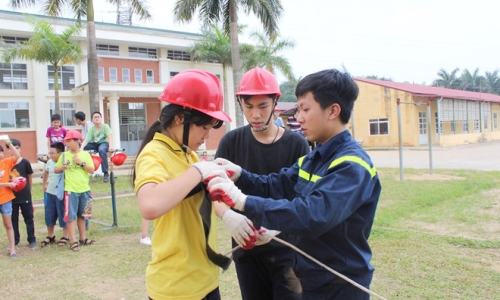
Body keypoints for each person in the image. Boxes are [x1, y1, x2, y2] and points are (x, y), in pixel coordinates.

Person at [207, 69, 382, 300]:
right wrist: (240, 175)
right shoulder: (315, 158)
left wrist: (243, 202)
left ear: (333, 111)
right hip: (311, 277)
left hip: (338, 284)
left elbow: (312, 215)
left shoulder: (351, 165)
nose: (298, 118)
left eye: (305, 109)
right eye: (298, 109)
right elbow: (276, 184)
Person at [133, 69, 253, 300]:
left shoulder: (187, 153)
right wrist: (197, 171)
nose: (206, 136)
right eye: (204, 128)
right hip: (177, 286)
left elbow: (206, 195)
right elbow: (149, 205)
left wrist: (230, 216)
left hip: (205, 278)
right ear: (180, 119)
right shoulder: (154, 154)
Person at [215, 67, 309, 300]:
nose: (255, 114)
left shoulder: (297, 144)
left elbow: (303, 196)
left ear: (275, 102)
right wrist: (228, 217)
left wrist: (279, 226)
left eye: (262, 106)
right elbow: (215, 190)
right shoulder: (231, 141)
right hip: (245, 248)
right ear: (241, 105)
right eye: (249, 107)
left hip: (288, 249)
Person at [55, 130, 95, 252]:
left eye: (69, 140)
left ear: (77, 141)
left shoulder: (85, 155)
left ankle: (83, 238)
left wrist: (81, 163)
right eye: (65, 140)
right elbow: (56, 170)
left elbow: (92, 170)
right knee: (70, 217)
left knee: (84, 215)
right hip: (70, 190)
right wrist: (62, 167)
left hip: (85, 190)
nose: (66, 143)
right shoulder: (63, 155)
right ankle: (73, 240)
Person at [41, 142, 69, 248]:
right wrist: (44, 184)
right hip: (50, 192)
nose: (50, 155)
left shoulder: (65, 163)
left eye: (52, 153)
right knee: (49, 214)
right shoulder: (49, 162)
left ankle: (65, 236)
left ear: (61, 153)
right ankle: (50, 235)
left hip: (61, 193)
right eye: (50, 153)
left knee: (63, 214)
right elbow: (46, 173)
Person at [10, 139, 36, 249]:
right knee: (13, 220)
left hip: (25, 196)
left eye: (17, 148)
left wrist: (29, 191)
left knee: (29, 218)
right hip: (12, 197)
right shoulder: (8, 163)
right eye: (13, 148)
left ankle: (32, 240)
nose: (16, 150)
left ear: (20, 149)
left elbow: (29, 176)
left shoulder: (25, 162)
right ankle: (15, 240)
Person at [0, 137, 21, 258]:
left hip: (6, 199)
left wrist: (9, 143)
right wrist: (8, 184)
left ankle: (12, 248)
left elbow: (17, 155)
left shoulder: (6, 162)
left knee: (8, 225)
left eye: (2, 152)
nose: (1, 154)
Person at [81, 112, 112, 182]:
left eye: (98, 117)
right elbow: (86, 140)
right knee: (81, 146)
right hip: (95, 144)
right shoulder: (92, 129)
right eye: (95, 117)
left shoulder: (105, 126)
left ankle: (106, 173)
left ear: (101, 118)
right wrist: (81, 148)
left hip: (104, 143)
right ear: (92, 120)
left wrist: (110, 147)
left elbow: (110, 137)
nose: (97, 118)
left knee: (101, 150)